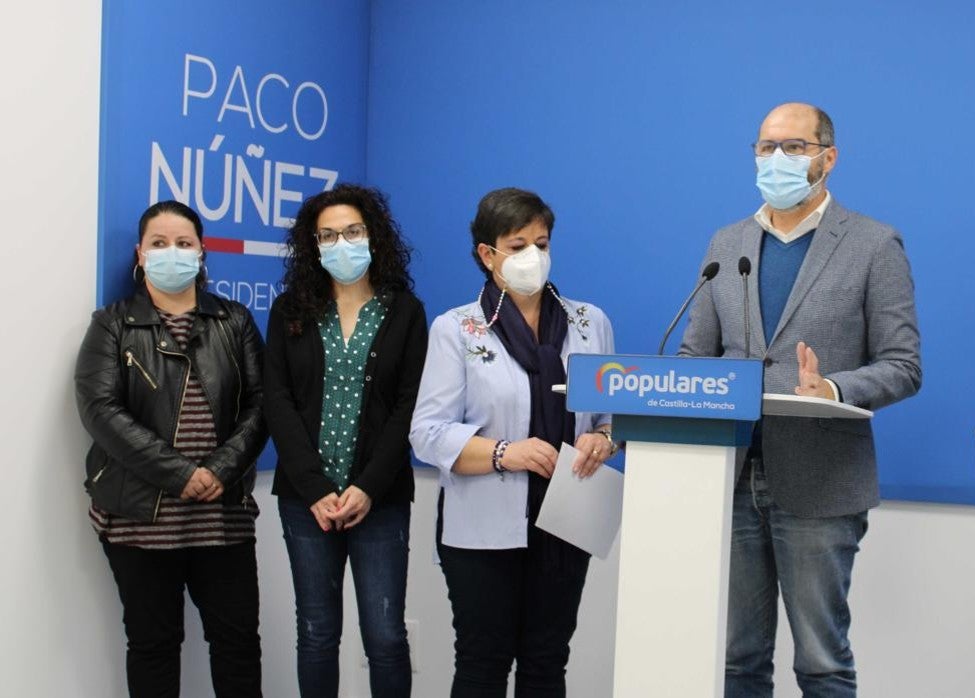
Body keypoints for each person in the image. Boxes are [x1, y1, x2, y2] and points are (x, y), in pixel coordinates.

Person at [679, 102, 921, 697]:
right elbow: (693, 359)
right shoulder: (727, 241)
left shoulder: (873, 243)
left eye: (794, 147)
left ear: (827, 158)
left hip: (820, 482)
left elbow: (904, 365)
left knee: (821, 662)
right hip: (733, 477)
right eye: (766, 147)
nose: (777, 159)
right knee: (738, 659)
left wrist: (834, 388)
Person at [409, 187, 615, 697]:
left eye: (541, 243)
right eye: (517, 244)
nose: (532, 257)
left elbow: (610, 419)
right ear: (487, 254)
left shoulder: (590, 323)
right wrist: (506, 453)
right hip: (483, 530)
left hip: (567, 521)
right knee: (483, 663)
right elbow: (426, 433)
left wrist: (604, 441)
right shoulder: (457, 329)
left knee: (547, 663)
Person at [75, 200, 266, 697]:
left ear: (202, 253)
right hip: (140, 518)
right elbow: (100, 410)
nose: (172, 253)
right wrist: (181, 473)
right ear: (140, 254)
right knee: (153, 647)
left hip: (222, 516)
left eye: (184, 243)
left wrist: (220, 469)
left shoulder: (235, 320)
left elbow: (263, 406)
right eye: (159, 244)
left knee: (238, 646)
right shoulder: (113, 324)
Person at [264, 184, 428, 698]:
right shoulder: (291, 309)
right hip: (304, 500)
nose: (342, 243)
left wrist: (368, 487)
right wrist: (314, 488)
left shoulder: (404, 310)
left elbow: (408, 406)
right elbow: (278, 400)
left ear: (373, 236)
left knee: (384, 636)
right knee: (315, 634)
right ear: (313, 245)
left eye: (352, 232)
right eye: (328, 235)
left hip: (378, 499)